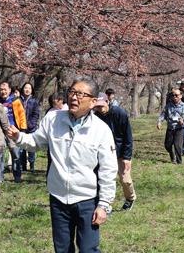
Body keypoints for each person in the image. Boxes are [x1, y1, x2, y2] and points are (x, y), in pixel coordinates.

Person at [7, 76, 117, 253]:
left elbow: (108, 170)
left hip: (87, 199)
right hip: (58, 197)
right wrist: (18, 137)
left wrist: (103, 204)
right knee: (62, 249)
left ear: (93, 102)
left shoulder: (101, 130)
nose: (74, 97)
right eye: (72, 92)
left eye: (80, 94)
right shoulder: (53, 119)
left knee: (88, 249)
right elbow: (36, 142)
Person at [94, 93, 136, 212]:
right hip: (105, 153)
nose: (101, 109)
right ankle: (107, 205)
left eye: (102, 106)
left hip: (120, 152)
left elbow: (128, 136)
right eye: (98, 107)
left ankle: (130, 198)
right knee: (105, 179)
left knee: (125, 179)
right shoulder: (96, 117)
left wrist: (127, 157)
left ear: (108, 102)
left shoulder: (119, 113)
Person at [0, 81, 26, 182]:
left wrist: (22, 128)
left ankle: (17, 176)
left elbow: (21, 115)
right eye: (1, 90)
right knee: (0, 155)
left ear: (9, 90)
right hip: (0, 132)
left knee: (15, 154)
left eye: (5, 89)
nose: (3, 92)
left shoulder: (15, 101)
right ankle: (0, 177)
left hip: (13, 131)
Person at [157, 88, 184, 165]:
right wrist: (159, 122)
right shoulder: (169, 105)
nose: (175, 97)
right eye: (173, 95)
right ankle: (171, 154)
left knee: (177, 145)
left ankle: (179, 161)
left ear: (181, 96)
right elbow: (163, 115)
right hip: (170, 127)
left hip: (179, 128)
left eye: (176, 95)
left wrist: (183, 120)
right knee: (167, 145)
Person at [20, 82, 40, 172]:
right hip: (21, 128)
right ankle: (23, 167)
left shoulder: (34, 101)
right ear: (23, 89)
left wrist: (30, 124)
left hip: (31, 128)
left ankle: (32, 165)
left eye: (29, 88)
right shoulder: (18, 100)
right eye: (26, 88)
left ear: (32, 90)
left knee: (31, 148)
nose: (27, 90)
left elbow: (36, 114)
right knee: (22, 149)